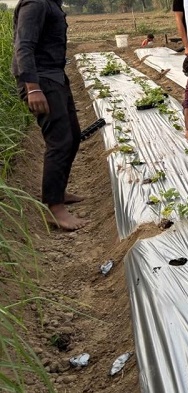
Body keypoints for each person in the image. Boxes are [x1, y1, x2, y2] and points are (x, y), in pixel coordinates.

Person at [12, 0, 87, 231]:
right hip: (41, 81)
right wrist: (32, 87)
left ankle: (58, 191)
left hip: (56, 77)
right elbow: (24, 46)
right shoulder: (36, 3)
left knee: (73, 136)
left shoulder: (51, 3)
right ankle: (55, 209)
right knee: (59, 141)